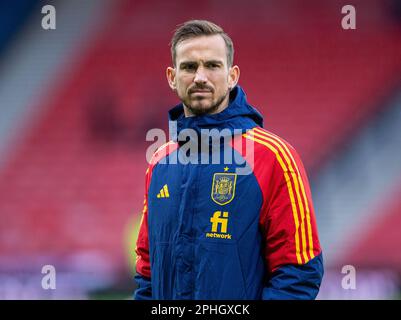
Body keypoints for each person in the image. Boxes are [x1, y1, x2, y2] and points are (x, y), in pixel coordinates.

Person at [134, 20, 323, 300]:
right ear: (172, 77)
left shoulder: (274, 157)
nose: (200, 76)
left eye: (212, 65)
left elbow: (299, 272)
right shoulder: (160, 162)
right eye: (189, 67)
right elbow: (147, 271)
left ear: (232, 75)